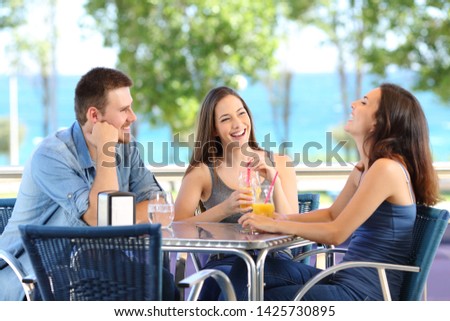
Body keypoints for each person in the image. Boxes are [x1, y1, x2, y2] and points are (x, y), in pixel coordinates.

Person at [228, 83, 440, 301]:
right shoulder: (364, 168)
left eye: (364, 102)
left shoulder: (386, 169)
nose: (353, 104)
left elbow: (337, 233)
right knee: (246, 269)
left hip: (362, 295)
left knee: (258, 295)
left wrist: (275, 225)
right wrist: (284, 217)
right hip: (344, 280)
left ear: (379, 122)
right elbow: (332, 214)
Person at [0, 67, 179, 301]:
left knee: (161, 282)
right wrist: (106, 151)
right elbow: (98, 220)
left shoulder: (128, 147)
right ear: (95, 116)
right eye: (124, 109)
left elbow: (161, 206)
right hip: (34, 278)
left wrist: (116, 217)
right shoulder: (52, 154)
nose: (133, 117)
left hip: (91, 266)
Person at [174, 86, 299, 300]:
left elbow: (294, 225)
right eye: (225, 119)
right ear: (213, 129)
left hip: (274, 261)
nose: (238, 124)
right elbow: (177, 226)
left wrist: (274, 180)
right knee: (227, 288)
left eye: (241, 113)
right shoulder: (202, 172)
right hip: (226, 261)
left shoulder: (280, 163)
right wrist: (225, 208)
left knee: (232, 293)